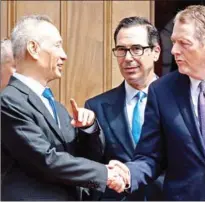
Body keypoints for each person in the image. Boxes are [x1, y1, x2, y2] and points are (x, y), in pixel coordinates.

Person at [108, 5, 205, 201]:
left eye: (184, 43)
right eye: (173, 42)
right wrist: (128, 173)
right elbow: (150, 157)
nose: (174, 50)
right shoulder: (162, 91)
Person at [1, 15, 125, 201]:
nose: (64, 55)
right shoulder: (10, 101)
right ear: (33, 49)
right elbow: (45, 160)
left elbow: (81, 155)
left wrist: (88, 129)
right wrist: (105, 174)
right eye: (57, 45)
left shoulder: (56, 107)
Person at [84, 16, 164, 201]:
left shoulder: (178, 101)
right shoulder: (97, 106)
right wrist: (88, 130)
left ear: (156, 52)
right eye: (121, 50)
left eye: (136, 49)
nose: (128, 58)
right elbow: (91, 162)